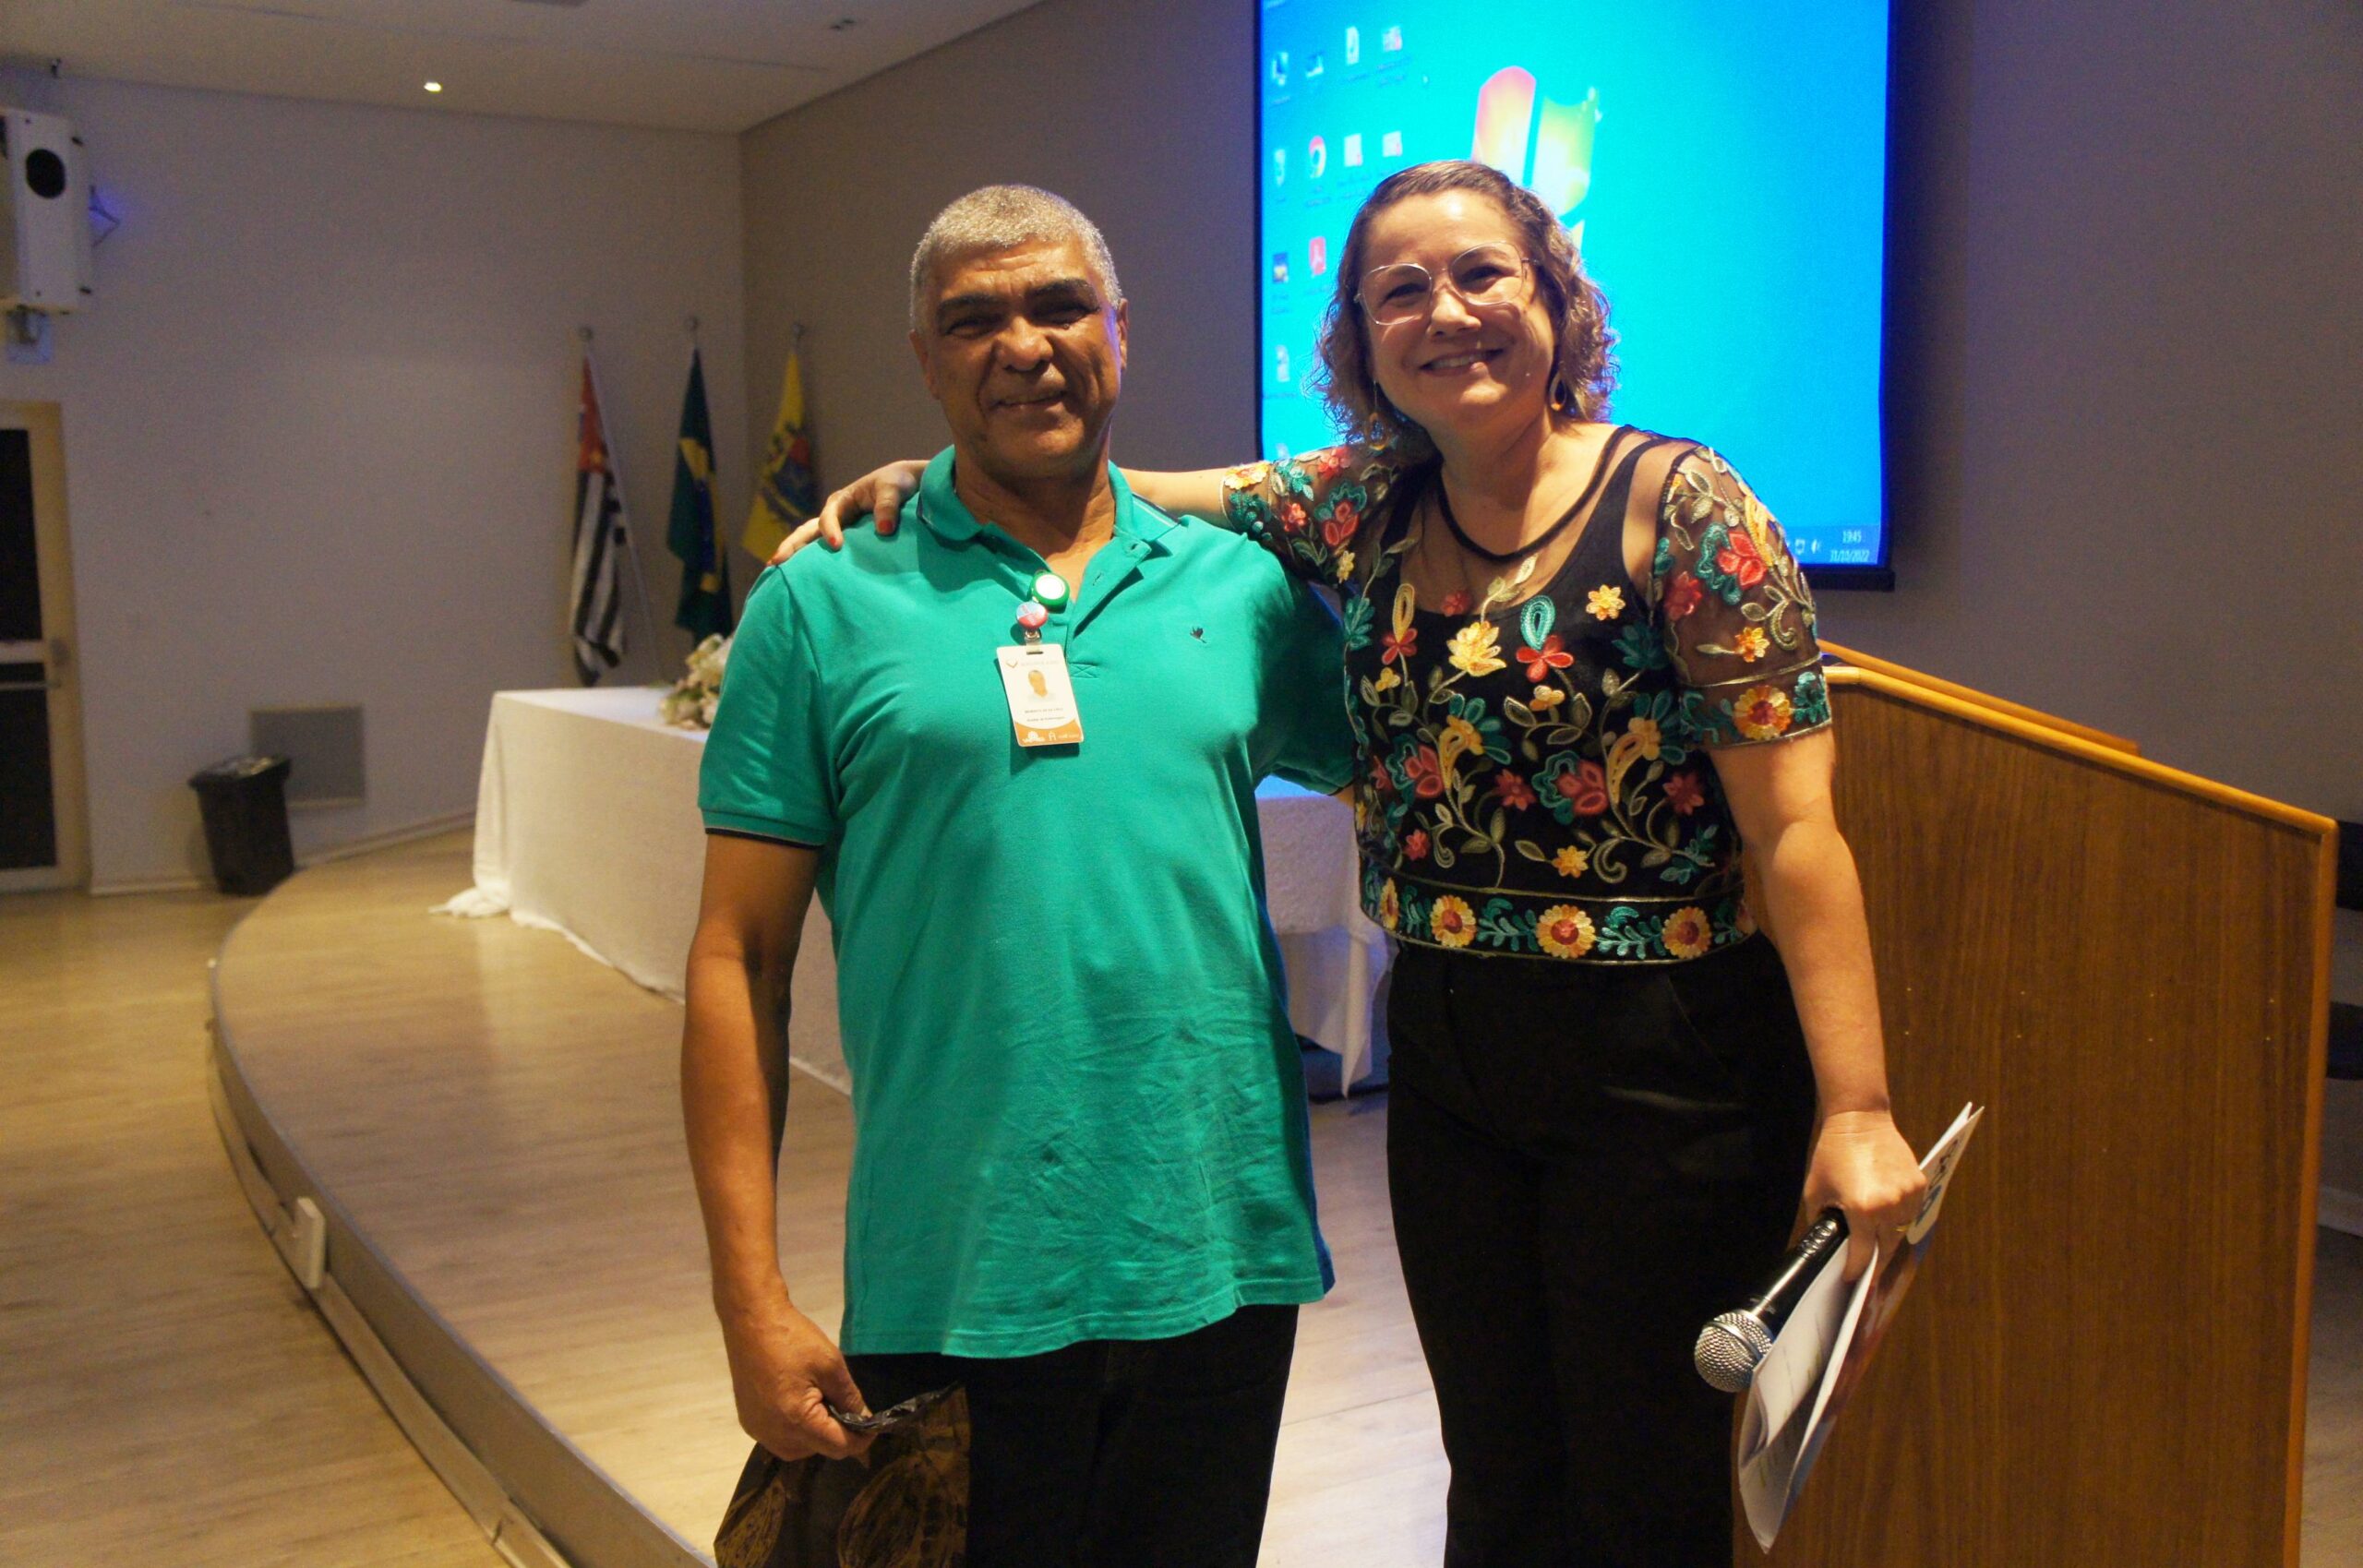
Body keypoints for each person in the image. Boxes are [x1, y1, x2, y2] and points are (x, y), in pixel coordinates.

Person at [781, 160, 1928, 1567]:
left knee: (1642, 1489)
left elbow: (1795, 834)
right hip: (1448, 1053)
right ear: (1363, 341)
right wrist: (934, 480)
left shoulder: (1683, 507)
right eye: (1401, 291)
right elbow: (1113, 489)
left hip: (1664, 1064)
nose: (1446, 312)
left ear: (1555, 296)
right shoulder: (1361, 502)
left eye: (1482, 274)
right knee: (1495, 1474)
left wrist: (1859, 1108)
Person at [680, 185, 1357, 1568]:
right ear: (924, 360)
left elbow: (1433, 768)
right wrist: (749, 1303)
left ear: (1120, 331)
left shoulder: (1241, 591)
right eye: (973, 321)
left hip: (1220, 1248)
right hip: (959, 1267)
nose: (1024, 346)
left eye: (1059, 307)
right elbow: (736, 960)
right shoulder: (823, 598)